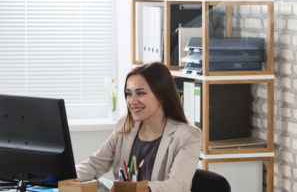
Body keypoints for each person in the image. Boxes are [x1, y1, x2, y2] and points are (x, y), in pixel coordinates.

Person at [76, 62, 203, 192]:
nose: (132, 101)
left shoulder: (188, 135)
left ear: (161, 95)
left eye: (141, 93)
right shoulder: (124, 125)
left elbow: (178, 185)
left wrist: (140, 189)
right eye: (129, 93)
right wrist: (64, 174)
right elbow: (94, 165)